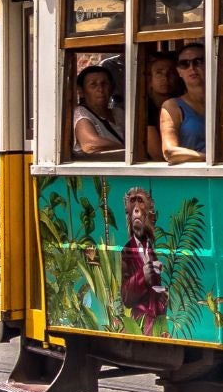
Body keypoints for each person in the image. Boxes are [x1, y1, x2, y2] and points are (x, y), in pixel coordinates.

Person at [159, 42, 223, 165]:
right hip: (198, 175)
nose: (192, 67)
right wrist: (214, 159)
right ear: (179, 72)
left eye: (198, 61)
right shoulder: (172, 107)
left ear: (211, 65)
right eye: (184, 64)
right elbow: (170, 152)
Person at [120, 186, 167, 333]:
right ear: (128, 211)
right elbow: (126, 297)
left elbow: (154, 294)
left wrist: (163, 297)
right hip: (139, 325)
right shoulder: (127, 251)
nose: (136, 209)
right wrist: (143, 276)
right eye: (132, 202)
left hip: (155, 326)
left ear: (149, 211)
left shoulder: (150, 251)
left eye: (140, 201)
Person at [70, 66, 127, 160]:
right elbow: (90, 145)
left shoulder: (119, 113)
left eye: (104, 84)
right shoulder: (81, 113)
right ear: (81, 92)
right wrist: (130, 151)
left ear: (112, 88)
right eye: (93, 85)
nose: (100, 89)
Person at [141, 51, 179, 159]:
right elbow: (158, 155)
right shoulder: (144, 108)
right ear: (150, 78)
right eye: (159, 72)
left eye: (171, 73)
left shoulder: (181, 103)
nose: (165, 78)